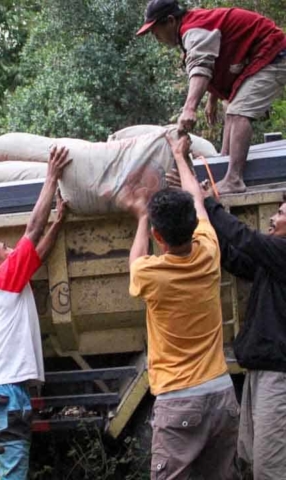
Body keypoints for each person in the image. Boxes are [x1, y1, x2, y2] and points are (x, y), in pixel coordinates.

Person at [125, 134, 239, 479]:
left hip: (179, 402)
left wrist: (141, 216)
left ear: (159, 237)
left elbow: (136, 259)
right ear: (193, 225)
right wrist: (180, 155)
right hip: (221, 394)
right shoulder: (209, 252)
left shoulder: (150, 275)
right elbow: (198, 202)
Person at [0, 146, 71, 480]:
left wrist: (59, 222)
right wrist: (51, 176)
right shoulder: (3, 280)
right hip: (6, 393)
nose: (14, 250)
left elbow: (36, 252)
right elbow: (32, 230)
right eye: (6, 250)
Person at [136, 0, 286, 194]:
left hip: (273, 54)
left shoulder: (194, 29)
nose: (157, 38)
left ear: (171, 21)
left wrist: (189, 109)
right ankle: (225, 161)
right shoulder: (195, 25)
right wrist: (213, 98)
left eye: (156, 31)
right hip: (260, 55)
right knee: (230, 107)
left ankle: (234, 179)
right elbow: (219, 55)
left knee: (238, 112)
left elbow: (201, 66)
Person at [201, 186, 286, 478]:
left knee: (270, 468)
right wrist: (208, 221)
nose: (273, 218)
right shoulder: (273, 263)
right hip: (261, 373)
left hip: (279, 379)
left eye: (281, 214)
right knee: (251, 458)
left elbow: (244, 238)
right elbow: (236, 258)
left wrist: (209, 205)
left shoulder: (283, 254)